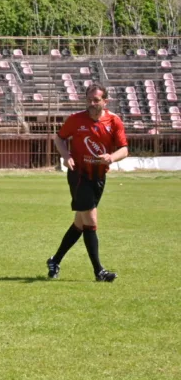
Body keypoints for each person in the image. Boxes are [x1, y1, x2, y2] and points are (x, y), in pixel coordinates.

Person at [45, 84, 128, 282]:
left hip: (99, 177)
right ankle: (99, 271)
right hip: (79, 176)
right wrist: (66, 156)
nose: (92, 103)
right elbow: (59, 138)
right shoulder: (76, 119)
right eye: (89, 100)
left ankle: (55, 260)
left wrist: (111, 157)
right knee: (91, 220)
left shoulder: (114, 121)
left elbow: (124, 149)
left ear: (105, 101)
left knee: (80, 223)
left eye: (96, 100)